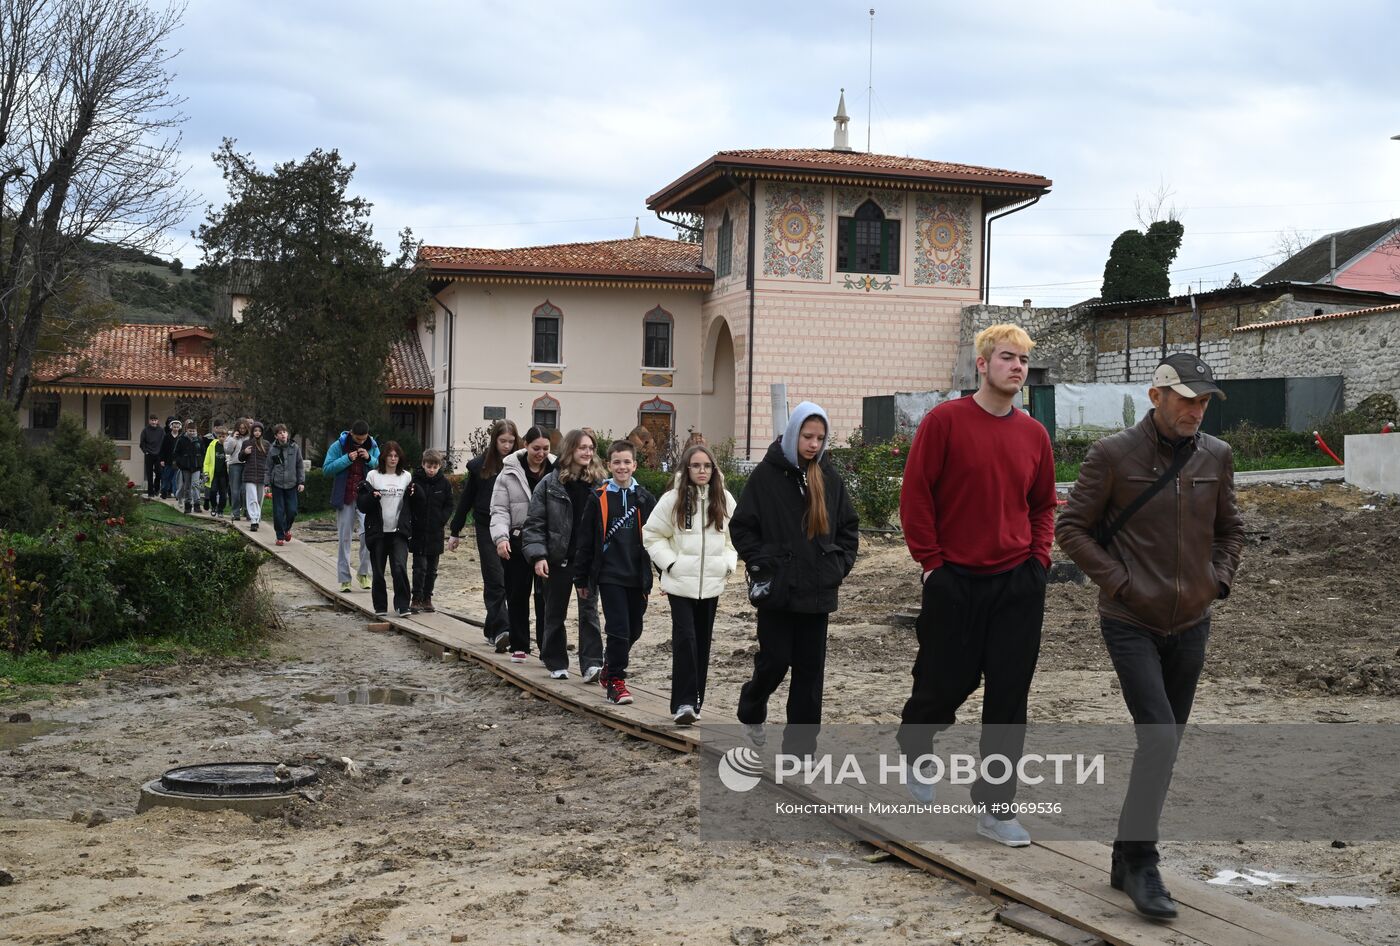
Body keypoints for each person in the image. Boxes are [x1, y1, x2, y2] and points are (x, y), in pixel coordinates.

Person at [1055, 352, 1244, 920]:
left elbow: (1230, 530)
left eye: (1203, 401)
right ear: (1156, 396)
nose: (1196, 410)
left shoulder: (1217, 455)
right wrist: (1121, 583)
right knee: (1159, 737)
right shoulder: (1112, 454)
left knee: (1165, 743)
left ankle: (1124, 855)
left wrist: (1217, 581)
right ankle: (1142, 861)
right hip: (1130, 621)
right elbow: (1072, 528)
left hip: (1191, 622)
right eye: (1186, 399)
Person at [895, 323, 1057, 849]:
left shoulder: (1034, 435)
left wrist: (1038, 561)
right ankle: (916, 741)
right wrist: (932, 565)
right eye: (1008, 357)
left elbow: (1043, 505)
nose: (1017, 367)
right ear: (982, 364)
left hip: (1017, 584)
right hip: (955, 581)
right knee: (945, 684)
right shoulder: (945, 422)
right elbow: (916, 496)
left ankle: (995, 807)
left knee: (1009, 698)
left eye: (1023, 360)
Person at [730, 401, 859, 756]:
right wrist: (762, 563)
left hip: (817, 591)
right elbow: (742, 527)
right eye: (807, 436)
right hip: (778, 590)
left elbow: (848, 527)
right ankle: (752, 706)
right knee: (774, 662)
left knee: (809, 673)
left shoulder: (829, 477)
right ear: (793, 435)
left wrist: (838, 565)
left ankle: (800, 750)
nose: (814, 444)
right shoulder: (766, 476)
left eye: (820, 438)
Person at [642, 442, 737, 724]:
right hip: (680, 583)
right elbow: (652, 535)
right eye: (696, 465)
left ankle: (695, 702)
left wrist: (727, 564)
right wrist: (671, 564)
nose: (701, 470)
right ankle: (683, 703)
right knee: (686, 639)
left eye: (707, 466)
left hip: (711, 584)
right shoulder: (672, 500)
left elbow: (735, 538)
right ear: (687, 468)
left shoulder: (724, 499)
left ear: (714, 469)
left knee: (702, 642)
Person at [572, 440, 657, 703]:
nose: (622, 467)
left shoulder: (644, 498)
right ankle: (616, 682)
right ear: (609, 465)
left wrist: (665, 573)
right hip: (609, 575)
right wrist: (581, 578)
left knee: (634, 629)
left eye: (627, 462)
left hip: (637, 575)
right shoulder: (598, 497)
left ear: (635, 465)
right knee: (618, 629)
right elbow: (585, 539)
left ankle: (609, 667)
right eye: (617, 462)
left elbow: (657, 538)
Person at [522, 428, 606, 681]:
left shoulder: (600, 484)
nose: (587, 452)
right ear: (570, 449)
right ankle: (556, 661)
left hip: (587, 562)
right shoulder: (550, 484)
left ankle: (592, 664)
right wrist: (538, 556)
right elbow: (534, 523)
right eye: (582, 447)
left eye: (591, 448)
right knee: (554, 612)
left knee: (589, 613)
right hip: (558, 559)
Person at [449, 419, 518, 648]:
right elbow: (466, 499)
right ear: (494, 440)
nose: (506, 446)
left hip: (512, 528)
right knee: (494, 577)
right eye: (502, 441)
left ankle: (492, 628)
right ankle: (502, 630)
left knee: (508, 579)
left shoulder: (519, 464)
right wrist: (455, 530)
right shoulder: (480, 466)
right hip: (486, 526)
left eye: (510, 441)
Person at [489, 426, 554, 663]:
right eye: (536, 448)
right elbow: (499, 510)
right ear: (525, 445)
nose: (541, 453)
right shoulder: (508, 473)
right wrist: (501, 538)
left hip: (548, 541)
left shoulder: (557, 471)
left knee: (546, 596)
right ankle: (519, 644)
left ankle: (547, 646)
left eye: (545, 448)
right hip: (518, 539)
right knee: (517, 593)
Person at [357, 440, 414, 617]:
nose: (393, 459)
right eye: (390, 455)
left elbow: (412, 502)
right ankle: (380, 606)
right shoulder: (373, 476)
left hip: (399, 531)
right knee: (378, 571)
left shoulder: (406, 476)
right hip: (378, 531)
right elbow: (362, 505)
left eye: (396, 456)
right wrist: (372, 496)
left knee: (399, 567)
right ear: (383, 457)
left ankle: (402, 605)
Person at [323, 421, 380, 593]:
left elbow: (381, 466)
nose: (361, 442)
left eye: (364, 439)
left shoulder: (373, 445)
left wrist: (369, 458)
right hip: (345, 496)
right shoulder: (338, 445)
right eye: (358, 439)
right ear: (351, 433)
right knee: (344, 538)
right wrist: (347, 459)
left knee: (368, 536)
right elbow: (326, 469)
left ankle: (364, 573)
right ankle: (345, 579)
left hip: (366, 498)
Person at [408, 448, 454, 613]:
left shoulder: (444, 484)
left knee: (432, 569)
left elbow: (449, 504)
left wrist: (442, 519)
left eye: (435, 467)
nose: (431, 470)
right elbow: (409, 502)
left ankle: (427, 598)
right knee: (419, 568)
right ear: (423, 464)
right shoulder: (415, 481)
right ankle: (416, 597)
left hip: (436, 532)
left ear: (439, 466)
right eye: (429, 466)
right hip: (418, 531)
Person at [266, 424, 305, 546]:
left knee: (292, 511)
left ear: (287, 434)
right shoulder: (272, 449)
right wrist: (266, 484)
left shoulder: (295, 447)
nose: (283, 434)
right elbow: (268, 468)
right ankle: (280, 536)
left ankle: (286, 528)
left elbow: (300, 466)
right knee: (278, 512)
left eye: (284, 432)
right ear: (276, 436)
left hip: (292, 484)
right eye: (280, 433)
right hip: (277, 484)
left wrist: (301, 482)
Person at [239, 421, 270, 531]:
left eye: (259, 431)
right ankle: (253, 520)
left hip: (262, 475)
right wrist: (244, 452)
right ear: (252, 431)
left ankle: (257, 517)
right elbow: (240, 458)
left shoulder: (266, 444)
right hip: (249, 474)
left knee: (259, 499)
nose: (257, 433)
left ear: (262, 432)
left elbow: (269, 461)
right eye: (255, 431)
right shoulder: (246, 443)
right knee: (252, 498)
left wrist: (268, 477)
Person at [173, 419, 204, 514]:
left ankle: (197, 504)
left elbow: (203, 453)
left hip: (196, 466)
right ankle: (187, 505)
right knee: (186, 486)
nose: (192, 433)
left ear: (196, 431)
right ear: (186, 430)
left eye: (193, 431)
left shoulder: (199, 440)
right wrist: (180, 463)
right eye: (190, 431)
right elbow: (176, 453)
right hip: (185, 467)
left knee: (195, 485)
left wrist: (201, 463)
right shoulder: (181, 440)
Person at [225, 418, 251, 520]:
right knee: (235, 490)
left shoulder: (250, 437)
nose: (242, 430)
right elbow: (228, 451)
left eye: (244, 428)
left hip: (247, 464)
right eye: (240, 428)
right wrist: (233, 439)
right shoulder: (231, 437)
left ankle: (248, 512)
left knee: (246, 490)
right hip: (235, 464)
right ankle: (236, 512)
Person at [203, 423, 231, 517]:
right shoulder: (212, 446)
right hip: (213, 474)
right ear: (217, 436)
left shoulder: (229, 446)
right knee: (213, 492)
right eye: (220, 436)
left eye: (224, 436)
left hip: (224, 475)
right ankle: (214, 507)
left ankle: (221, 509)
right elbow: (207, 461)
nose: (222, 438)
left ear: (227, 436)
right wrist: (206, 473)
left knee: (223, 494)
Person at [139, 414, 164, 497]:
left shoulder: (161, 431)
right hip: (149, 454)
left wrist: (162, 453)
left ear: (157, 421)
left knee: (159, 473)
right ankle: (150, 492)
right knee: (149, 474)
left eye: (155, 420)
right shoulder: (145, 430)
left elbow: (164, 442)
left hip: (158, 455)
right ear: (149, 421)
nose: (153, 422)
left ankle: (156, 489)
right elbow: (142, 443)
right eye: (152, 420)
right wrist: (145, 451)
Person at [158, 418, 181, 498]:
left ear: (179, 428)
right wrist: (162, 460)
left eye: (177, 427)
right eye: (174, 427)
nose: (176, 429)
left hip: (177, 462)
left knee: (176, 479)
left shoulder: (180, 437)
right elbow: (162, 449)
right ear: (171, 427)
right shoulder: (167, 437)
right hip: (168, 461)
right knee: (166, 477)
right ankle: (164, 492)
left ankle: (176, 494)